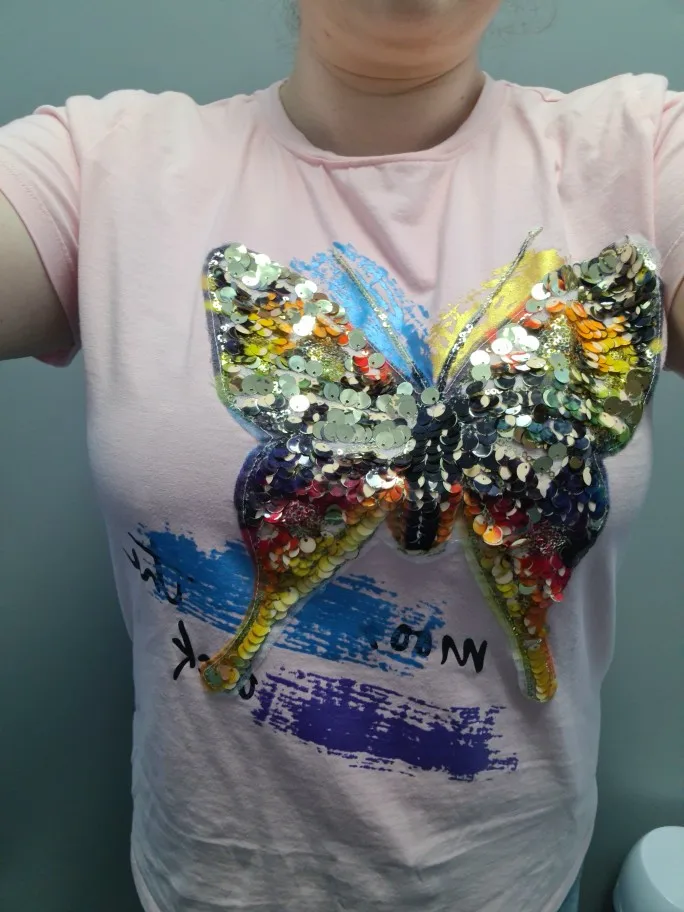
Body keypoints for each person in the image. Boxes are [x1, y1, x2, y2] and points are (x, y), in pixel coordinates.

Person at [1, 1, 682, 910]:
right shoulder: (101, 163)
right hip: (212, 885)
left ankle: (521, 641)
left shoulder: (640, 147)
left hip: (510, 886)